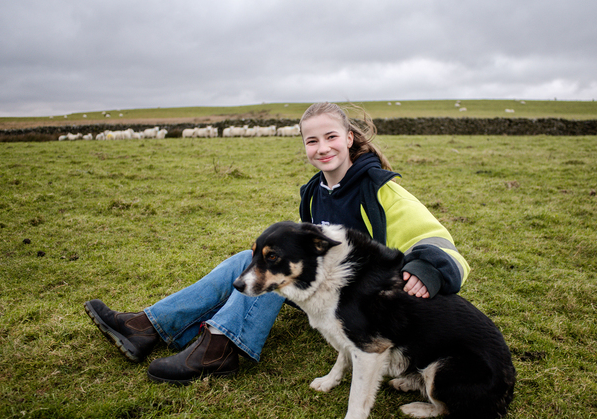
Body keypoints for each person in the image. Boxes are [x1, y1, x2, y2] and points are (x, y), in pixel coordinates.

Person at [84, 102, 470, 385]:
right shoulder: (314, 192)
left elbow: (440, 240)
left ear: (350, 138)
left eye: (332, 137)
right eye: (312, 140)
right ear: (303, 146)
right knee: (250, 260)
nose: (323, 148)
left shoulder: (382, 191)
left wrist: (428, 267)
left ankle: (220, 346)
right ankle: (148, 326)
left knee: (275, 273)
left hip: (364, 314)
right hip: (328, 299)